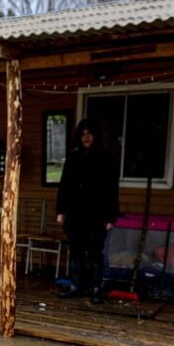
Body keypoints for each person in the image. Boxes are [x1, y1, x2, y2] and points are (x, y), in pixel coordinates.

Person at [56, 119, 119, 304]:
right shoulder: (73, 158)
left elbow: (111, 190)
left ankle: (96, 290)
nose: (86, 137)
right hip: (75, 214)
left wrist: (110, 216)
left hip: (97, 216)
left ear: (95, 136)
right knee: (75, 251)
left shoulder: (105, 158)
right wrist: (61, 210)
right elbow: (64, 186)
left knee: (94, 253)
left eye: (89, 133)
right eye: (83, 134)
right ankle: (75, 286)